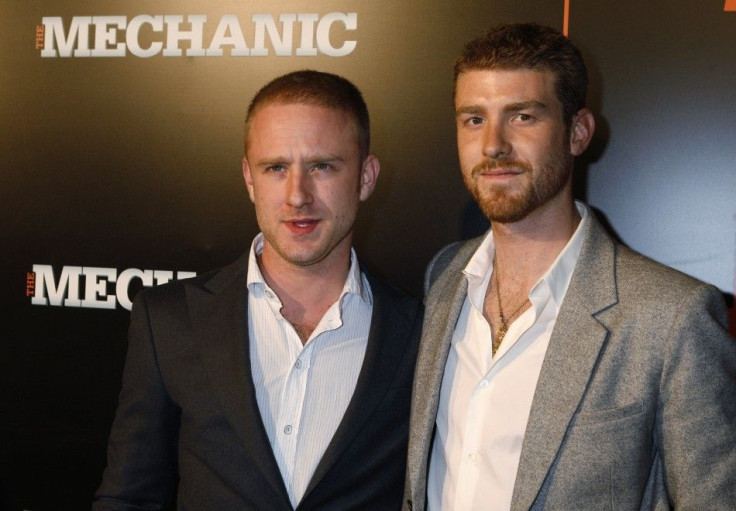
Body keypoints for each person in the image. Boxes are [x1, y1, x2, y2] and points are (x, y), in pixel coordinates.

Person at [403, 23, 736, 510]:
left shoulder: (671, 319)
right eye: (474, 119)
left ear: (577, 132)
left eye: (522, 117)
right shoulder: (445, 276)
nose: (493, 145)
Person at [93, 70, 422, 510]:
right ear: (250, 179)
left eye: (322, 166)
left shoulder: (418, 333)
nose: (297, 195)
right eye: (276, 168)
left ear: (365, 177)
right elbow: (129, 496)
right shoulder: (170, 319)